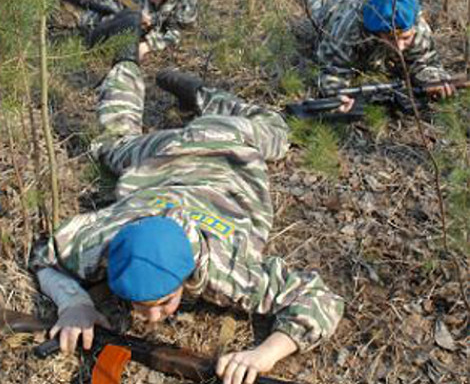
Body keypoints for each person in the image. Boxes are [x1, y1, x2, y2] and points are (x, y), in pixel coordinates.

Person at [33, 59, 344, 384]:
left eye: (164, 301)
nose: (152, 319)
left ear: (188, 272)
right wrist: (74, 304)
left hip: (230, 145)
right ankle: (125, 60)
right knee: (110, 146)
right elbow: (46, 255)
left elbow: (318, 298)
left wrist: (264, 355)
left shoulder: (225, 267)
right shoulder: (105, 238)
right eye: (139, 305)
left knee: (277, 128)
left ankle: (202, 95)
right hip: (165, 153)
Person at [313, 0, 454, 113]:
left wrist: (435, 80)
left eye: (405, 38)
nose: (399, 46)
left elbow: (425, 63)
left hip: (377, 4)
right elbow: (331, 71)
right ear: (376, 32)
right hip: (338, 6)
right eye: (391, 38)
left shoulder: (416, 27)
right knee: (314, 8)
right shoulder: (348, 30)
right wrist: (337, 95)